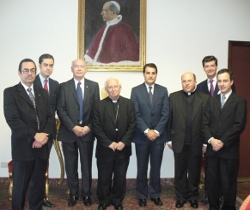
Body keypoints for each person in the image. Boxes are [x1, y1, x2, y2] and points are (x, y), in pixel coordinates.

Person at [3, 58, 54, 210]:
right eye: (26, 70)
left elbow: (50, 117)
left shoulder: (42, 93)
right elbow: (13, 120)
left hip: (42, 147)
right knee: (20, 187)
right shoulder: (11, 92)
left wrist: (43, 135)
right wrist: (34, 135)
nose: (30, 73)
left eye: (32, 70)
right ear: (19, 73)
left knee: (37, 187)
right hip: (23, 148)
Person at [57, 58, 100, 207]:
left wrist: (88, 127)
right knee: (71, 166)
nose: (79, 69)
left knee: (86, 165)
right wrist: (73, 127)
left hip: (87, 133)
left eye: (82, 66)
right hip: (69, 133)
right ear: (72, 69)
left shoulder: (94, 86)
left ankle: (87, 194)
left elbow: (97, 110)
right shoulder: (63, 87)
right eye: (76, 66)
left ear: (86, 69)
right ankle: (73, 194)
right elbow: (60, 109)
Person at [202, 69, 247, 210]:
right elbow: (204, 124)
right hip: (212, 150)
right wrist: (211, 140)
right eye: (219, 81)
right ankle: (213, 207)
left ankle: (228, 207)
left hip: (229, 150)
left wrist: (221, 142)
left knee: (228, 184)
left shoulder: (240, 101)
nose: (222, 84)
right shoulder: (211, 101)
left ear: (231, 82)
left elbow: (239, 125)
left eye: (225, 81)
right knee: (212, 183)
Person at [93, 78, 136, 210]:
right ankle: (104, 200)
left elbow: (133, 125)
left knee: (120, 176)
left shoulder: (129, 104)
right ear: (106, 90)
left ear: (120, 88)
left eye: (115, 86)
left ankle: (117, 200)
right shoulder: (99, 105)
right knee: (104, 176)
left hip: (123, 148)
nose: (113, 89)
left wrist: (123, 142)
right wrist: (108, 143)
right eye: (110, 87)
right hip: (105, 148)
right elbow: (96, 127)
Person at [167, 72, 209, 209]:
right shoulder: (173, 97)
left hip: (196, 142)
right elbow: (169, 119)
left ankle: (193, 196)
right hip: (178, 142)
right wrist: (168, 139)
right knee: (179, 171)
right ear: (181, 82)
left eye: (189, 80)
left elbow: (207, 122)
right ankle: (180, 197)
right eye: (184, 81)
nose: (187, 83)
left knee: (194, 171)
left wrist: (205, 143)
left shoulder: (204, 99)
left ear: (195, 82)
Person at [131, 63, 169, 207]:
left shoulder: (163, 90)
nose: (151, 75)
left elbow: (166, 113)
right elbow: (135, 113)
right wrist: (147, 131)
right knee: (141, 167)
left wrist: (157, 131)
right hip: (142, 136)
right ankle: (141, 195)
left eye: (153, 73)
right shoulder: (136, 91)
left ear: (156, 74)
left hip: (159, 137)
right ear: (144, 74)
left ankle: (155, 194)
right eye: (148, 73)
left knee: (156, 167)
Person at [33, 53, 60, 208]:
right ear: (39, 65)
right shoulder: (31, 82)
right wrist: (37, 134)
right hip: (34, 135)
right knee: (32, 168)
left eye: (51, 65)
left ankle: (41, 198)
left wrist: (47, 133)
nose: (48, 68)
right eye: (45, 65)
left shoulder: (55, 85)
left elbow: (54, 110)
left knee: (43, 166)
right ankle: (32, 199)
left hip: (48, 134)